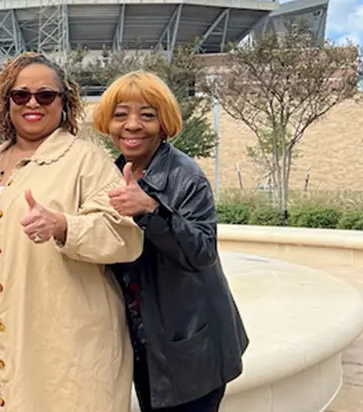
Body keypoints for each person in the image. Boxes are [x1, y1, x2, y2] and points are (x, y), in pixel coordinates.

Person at [0, 52, 143, 411]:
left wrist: (65, 226)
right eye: (21, 95)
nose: (32, 103)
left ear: (64, 103)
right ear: (7, 103)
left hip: (63, 350)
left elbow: (122, 236)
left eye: (46, 95)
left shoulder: (85, 159)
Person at [93, 70, 248, 412]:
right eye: (121, 115)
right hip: (148, 343)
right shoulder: (112, 174)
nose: (132, 125)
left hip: (191, 348)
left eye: (147, 115)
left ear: (164, 124)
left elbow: (202, 251)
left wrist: (151, 209)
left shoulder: (185, 175)